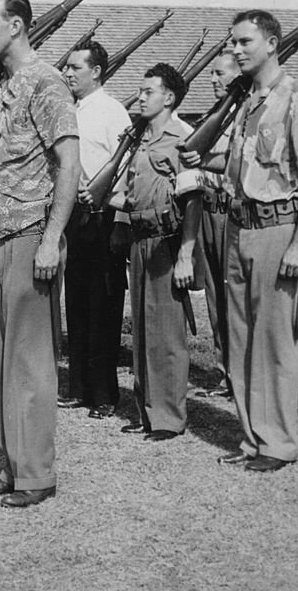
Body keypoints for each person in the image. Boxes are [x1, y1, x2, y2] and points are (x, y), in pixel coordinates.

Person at [182, 10, 298, 472]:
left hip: (276, 227)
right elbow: (241, 164)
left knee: (274, 339)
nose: (236, 50)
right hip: (239, 225)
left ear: (271, 43)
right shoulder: (246, 102)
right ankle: (253, 438)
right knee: (240, 338)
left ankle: (279, 443)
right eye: (233, 42)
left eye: (245, 42)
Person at [0, 0, 80, 507]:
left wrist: (52, 239)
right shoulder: (2, 87)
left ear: (15, 25)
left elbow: (70, 165)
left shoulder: (46, 82)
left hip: (28, 236)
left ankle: (36, 474)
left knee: (30, 363)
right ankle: (14, 465)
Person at [110, 64, 201, 441]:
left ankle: (168, 417)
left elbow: (194, 199)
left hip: (167, 240)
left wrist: (186, 255)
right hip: (140, 238)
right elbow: (128, 191)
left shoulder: (182, 138)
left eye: (149, 91)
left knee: (166, 334)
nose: (141, 96)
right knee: (144, 332)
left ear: (169, 97)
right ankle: (147, 410)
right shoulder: (139, 138)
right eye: (141, 91)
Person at [61, 40, 130, 418]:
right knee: (76, 303)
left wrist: (119, 218)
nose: (68, 73)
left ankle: (104, 393)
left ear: (97, 71)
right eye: (68, 68)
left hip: (103, 217)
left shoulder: (112, 111)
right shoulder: (70, 111)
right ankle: (79, 387)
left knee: (103, 305)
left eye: (76, 67)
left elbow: (125, 167)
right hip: (74, 216)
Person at [194, 51, 242, 398]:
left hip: (231, 211)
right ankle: (226, 371)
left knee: (235, 296)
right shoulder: (213, 116)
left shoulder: (245, 115)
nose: (213, 79)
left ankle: (242, 373)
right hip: (208, 209)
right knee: (214, 296)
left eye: (220, 73)